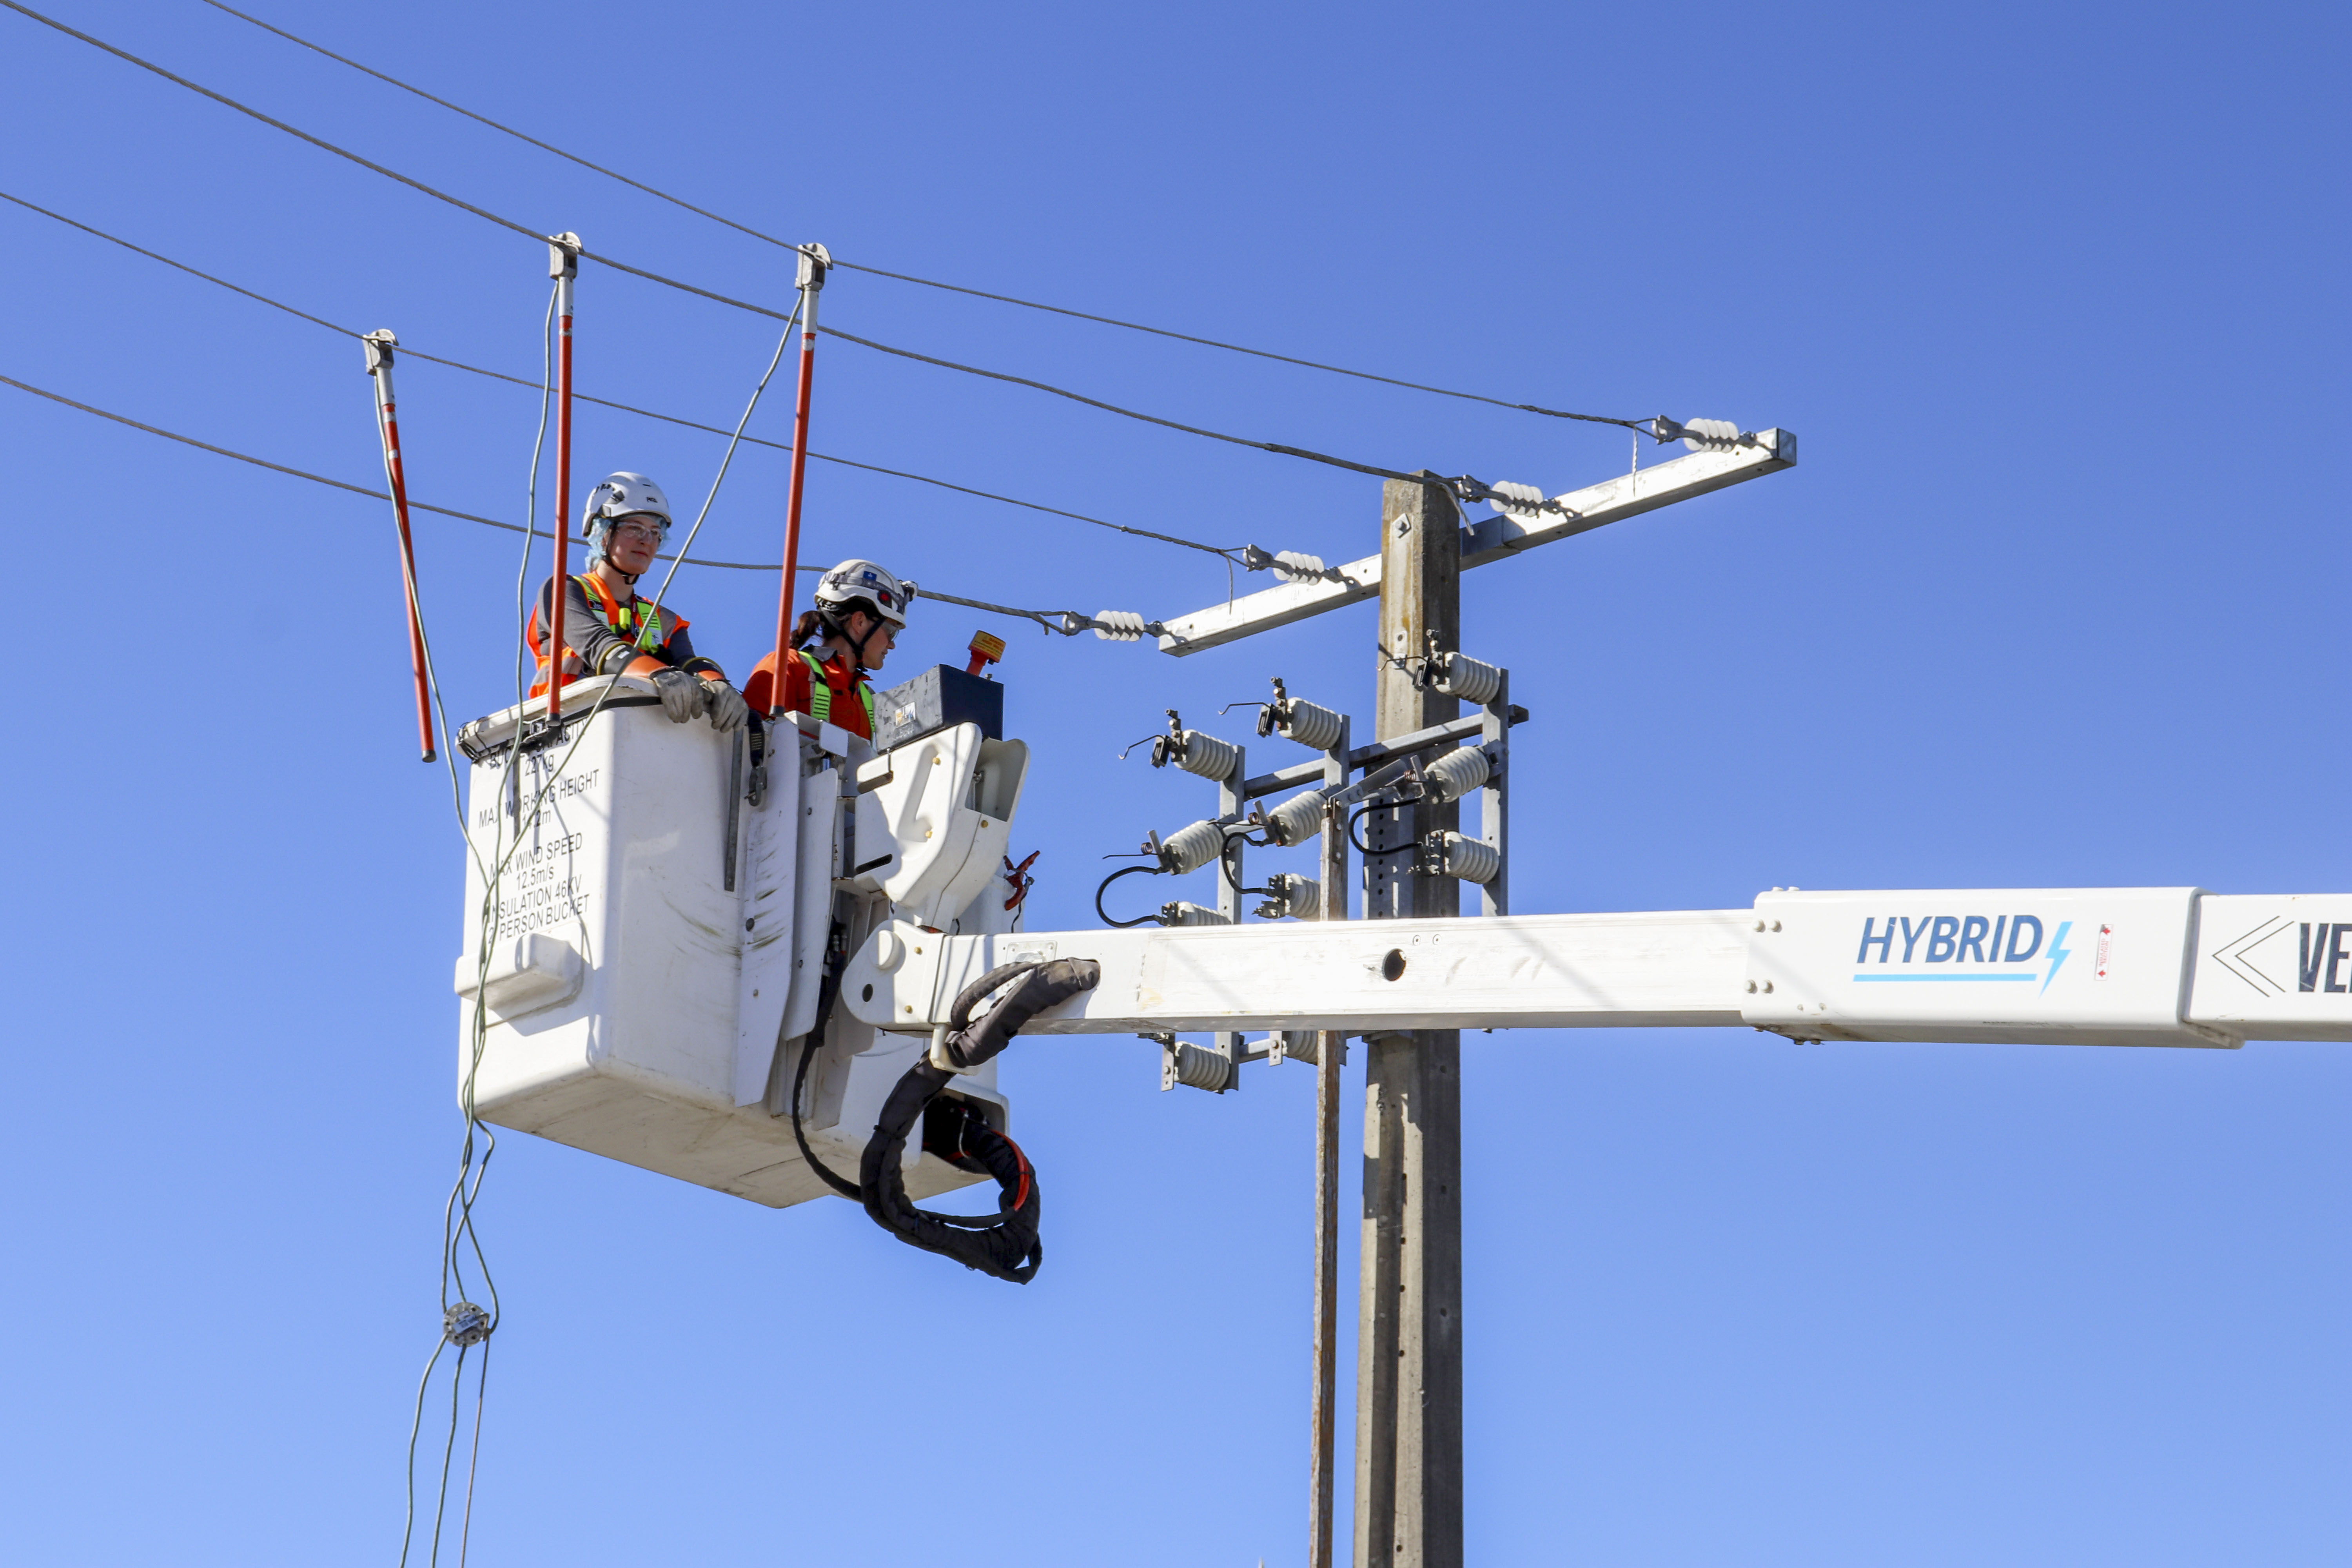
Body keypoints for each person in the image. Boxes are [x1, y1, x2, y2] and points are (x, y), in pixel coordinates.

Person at [525, 472, 749, 731]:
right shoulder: (563, 591)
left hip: (639, 731)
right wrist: (659, 673)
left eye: (656, 532)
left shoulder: (664, 620)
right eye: (634, 528)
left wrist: (718, 683)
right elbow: (598, 645)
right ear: (602, 533)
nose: (647, 541)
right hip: (567, 728)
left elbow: (688, 662)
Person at [741, 558, 911, 741]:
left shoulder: (869, 699)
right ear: (860, 622)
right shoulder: (788, 667)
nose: (892, 645)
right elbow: (746, 741)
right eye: (891, 632)